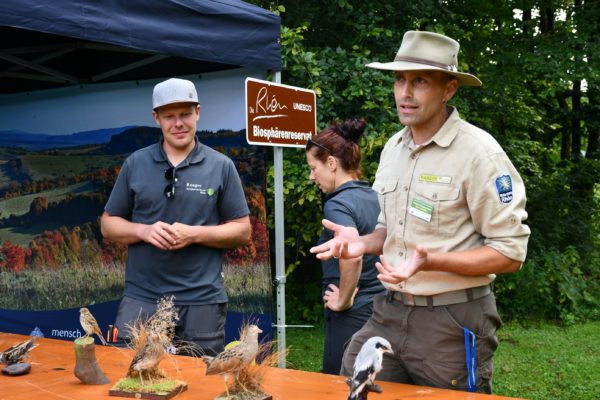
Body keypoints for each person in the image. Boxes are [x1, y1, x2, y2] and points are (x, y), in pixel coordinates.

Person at [310, 31, 530, 393]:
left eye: (420, 81)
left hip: (451, 320)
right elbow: (388, 231)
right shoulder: (393, 149)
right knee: (354, 385)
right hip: (389, 310)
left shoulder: (480, 153)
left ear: (449, 90)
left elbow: (510, 253)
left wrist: (431, 262)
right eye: (400, 79)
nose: (405, 92)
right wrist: (361, 243)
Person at [101, 77, 251, 356]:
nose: (178, 123)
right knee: (132, 374)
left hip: (202, 302)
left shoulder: (221, 166)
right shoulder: (135, 163)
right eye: (169, 116)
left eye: (185, 114)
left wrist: (194, 234)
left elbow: (242, 231)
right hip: (142, 298)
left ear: (198, 112)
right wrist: (144, 231)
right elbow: (108, 225)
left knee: (198, 381)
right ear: (156, 118)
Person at [305, 118, 386, 375]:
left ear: (331, 163)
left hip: (352, 314)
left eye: (313, 168)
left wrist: (343, 299)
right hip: (380, 308)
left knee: (338, 383)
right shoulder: (374, 196)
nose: (311, 176)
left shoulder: (337, 203)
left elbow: (351, 253)